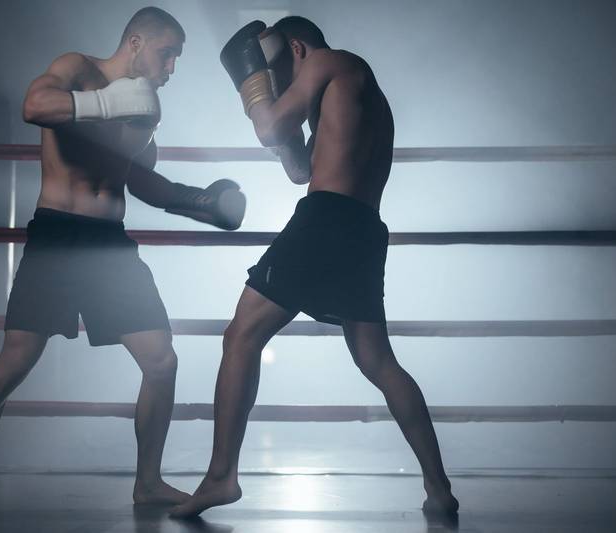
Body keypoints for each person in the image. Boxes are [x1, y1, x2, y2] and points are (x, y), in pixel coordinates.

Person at [0, 6, 245, 515]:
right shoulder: (77, 68)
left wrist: (199, 201)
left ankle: (148, 482)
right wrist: (109, 102)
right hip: (58, 234)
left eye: (177, 58)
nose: (171, 68)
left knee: (161, 360)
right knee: (14, 363)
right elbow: (34, 105)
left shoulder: (147, 108)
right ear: (136, 42)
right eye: (167, 54)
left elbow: (139, 181)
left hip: (109, 243)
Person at [170, 16, 458, 518]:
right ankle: (439, 488)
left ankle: (220, 478)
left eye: (279, 69)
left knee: (241, 336)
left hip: (326, 219)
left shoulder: (329, 62)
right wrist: (273, 107)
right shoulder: (356, 91)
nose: (280, 83)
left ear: (297, 48)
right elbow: (299, 168)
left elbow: (268, 128)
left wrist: (251, 86)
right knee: (377, 361)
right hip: (363, 228)